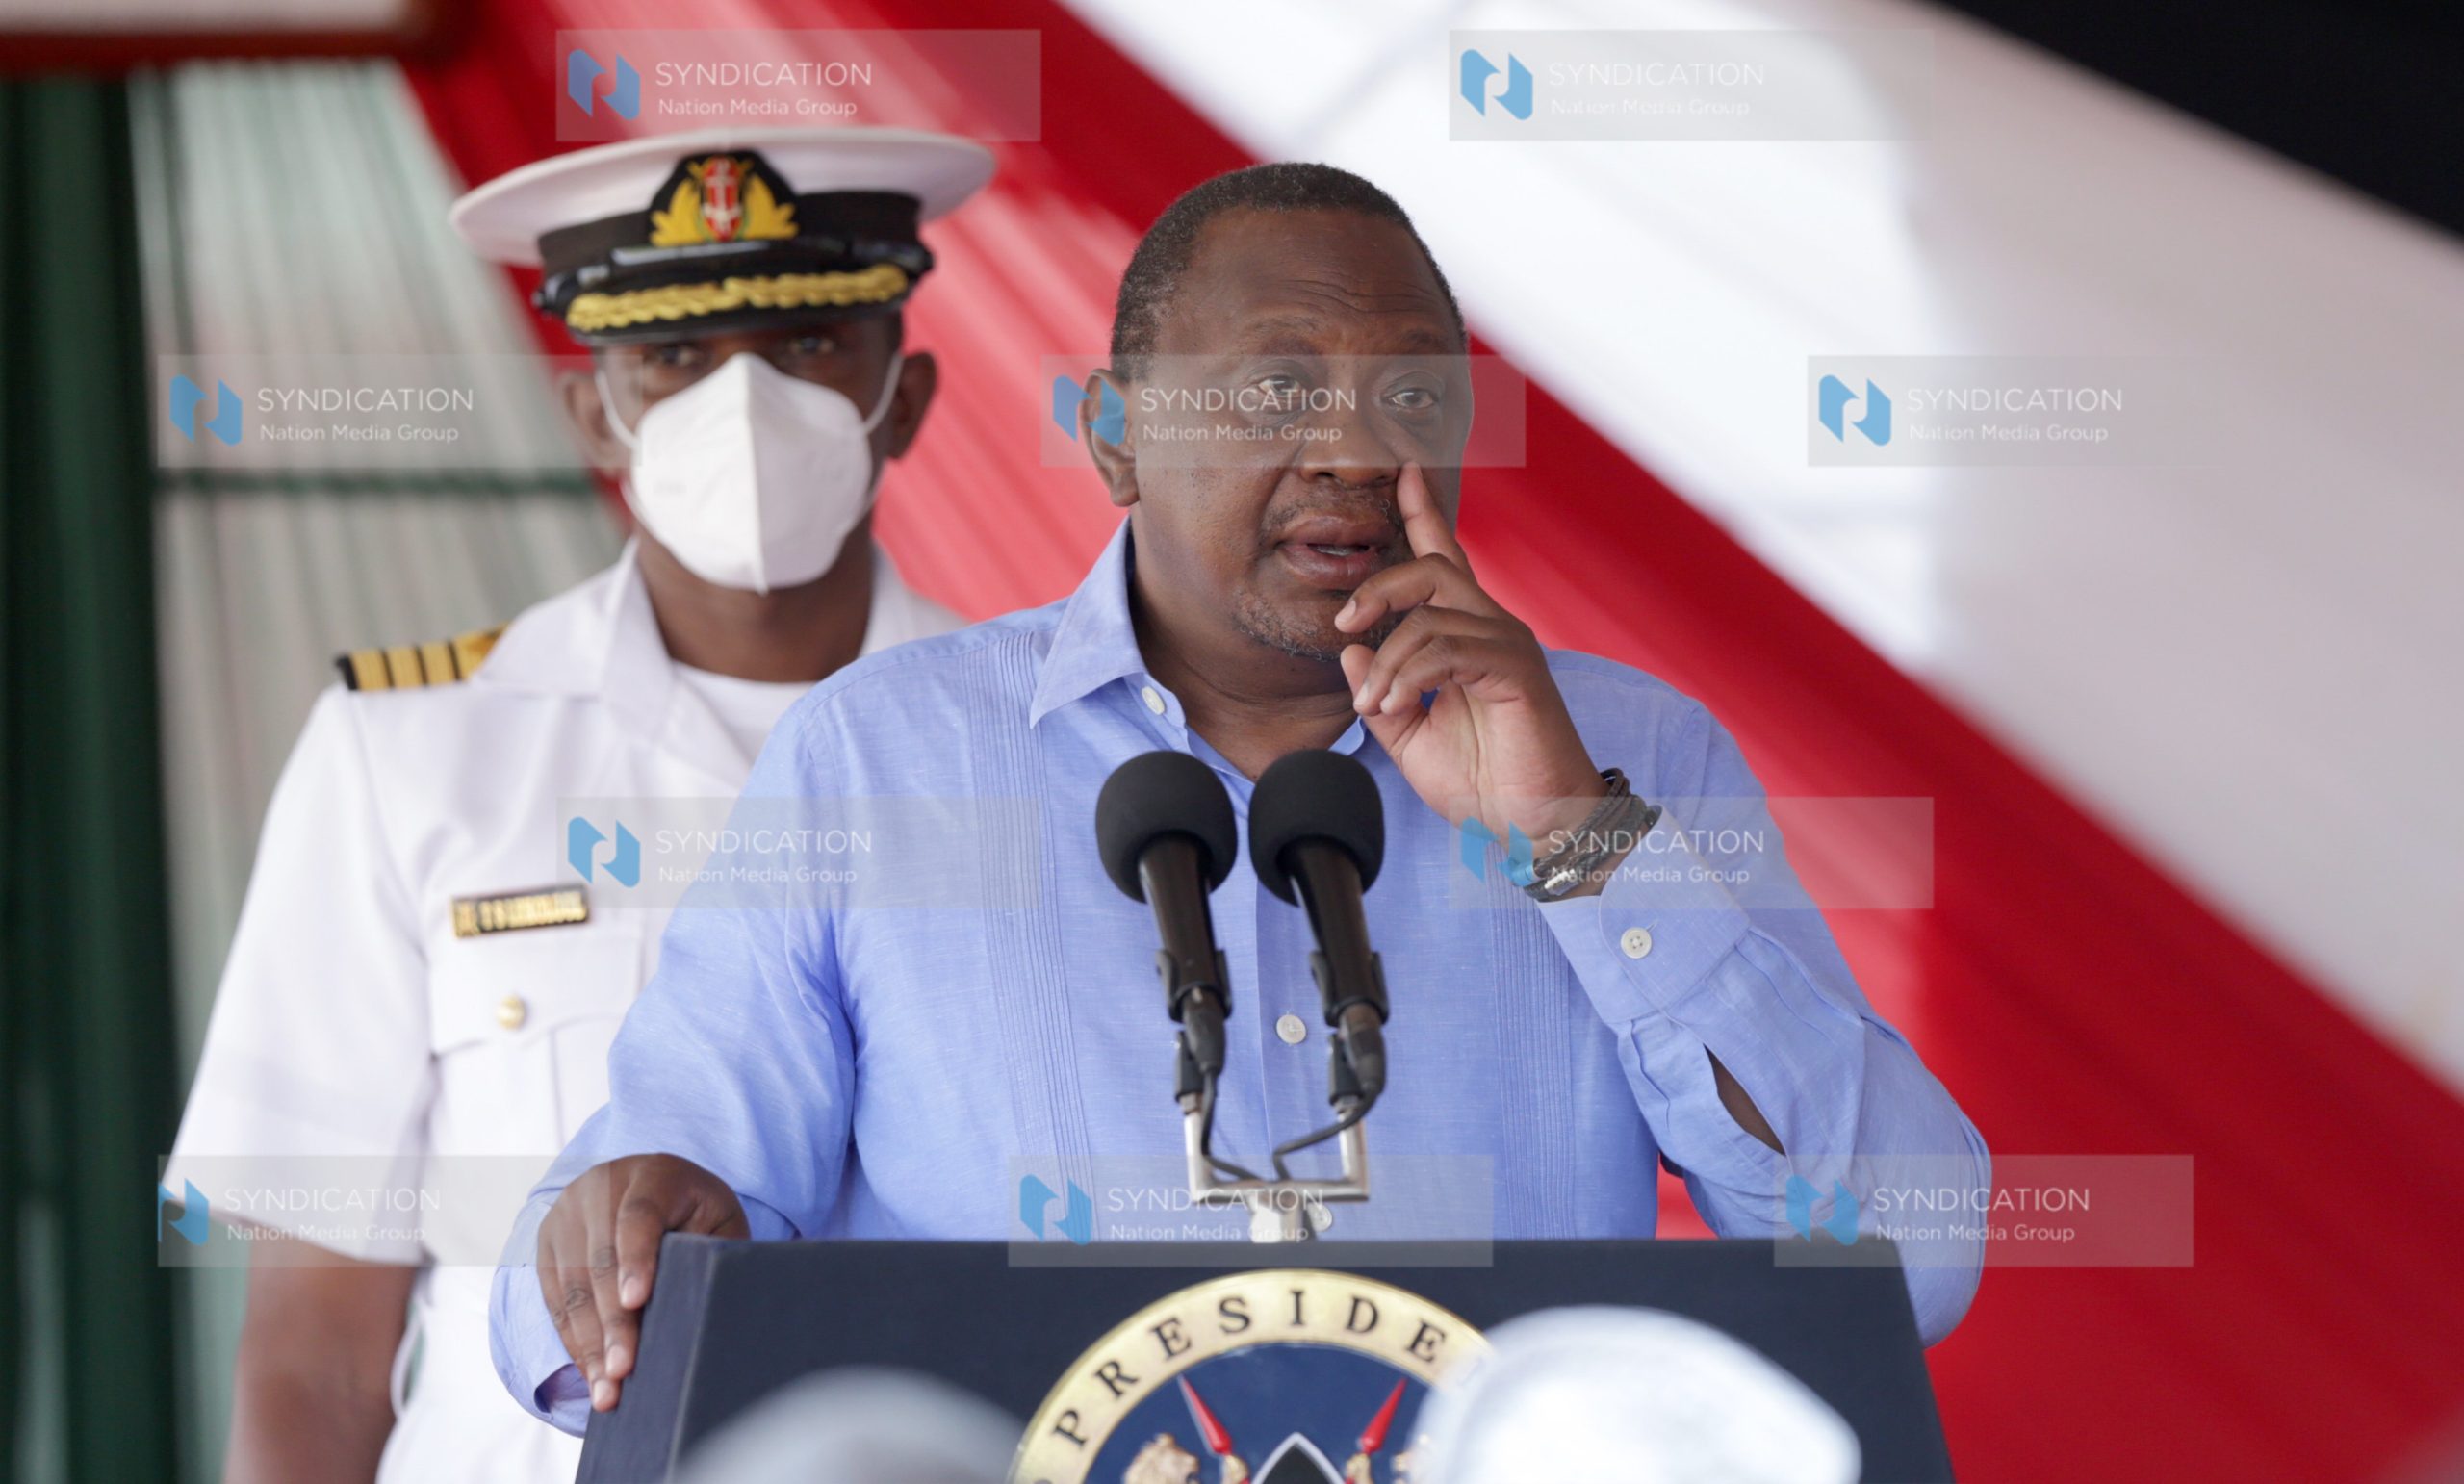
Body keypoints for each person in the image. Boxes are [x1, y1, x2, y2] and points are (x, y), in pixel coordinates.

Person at [489, 162, 1991, 1432]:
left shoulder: (1629, 756)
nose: (1356, 448)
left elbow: (1903, 1258)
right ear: (1114, 433)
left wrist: (1576, 839)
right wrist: (633, 1233)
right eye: (1280, 386)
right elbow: (565, 1306)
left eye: (1415, 393)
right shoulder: (876, 762)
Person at [161, 126, 992, 1483]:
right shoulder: (409, 751)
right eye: (674, 356)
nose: (743, 405)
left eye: (808, 344)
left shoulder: (1044, 754)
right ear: (594, 414)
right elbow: (315, 1355)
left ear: (903, 398)